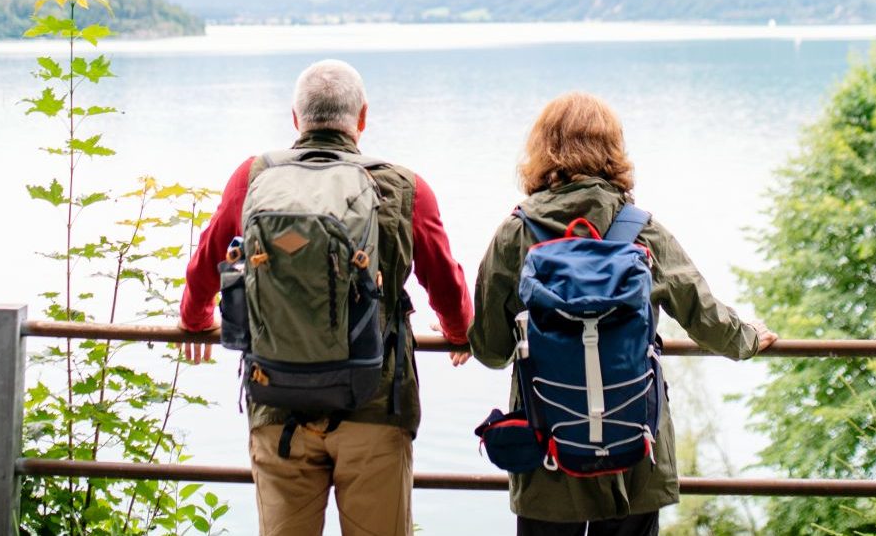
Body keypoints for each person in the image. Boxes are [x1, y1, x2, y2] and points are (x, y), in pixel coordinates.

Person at [181, 59, 474, 536]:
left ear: (295, 120)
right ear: (362, 119)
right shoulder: (404, 187)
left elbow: (206, 264)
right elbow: (445, 284)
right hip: (375, 407)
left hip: (277, 404)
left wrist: (194, 322)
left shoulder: (252, 177)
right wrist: (459, 333)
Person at [470, 92, 776, 536]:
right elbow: (701, 313)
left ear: (541, 151)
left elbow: (492, 350)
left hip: (547, 447)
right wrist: (747, 337)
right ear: (613, 151)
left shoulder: (517, 232)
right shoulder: (641, 229)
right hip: (636, 447)